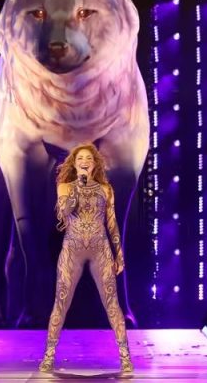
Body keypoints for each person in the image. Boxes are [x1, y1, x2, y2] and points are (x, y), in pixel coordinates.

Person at [39, 143, 132, 373]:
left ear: (94, 164)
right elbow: (65, 211)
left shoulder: (105, 189)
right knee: (61, 303)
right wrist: (78, 186)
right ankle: (49, 356)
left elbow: (111, 222)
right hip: (72, 249)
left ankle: (125, 356)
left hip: (100, 249)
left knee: (112, 303)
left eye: (89, 159)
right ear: (74, 163)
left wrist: (119, 253)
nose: (84, 161)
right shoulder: (64, 186)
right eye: (80, 158)